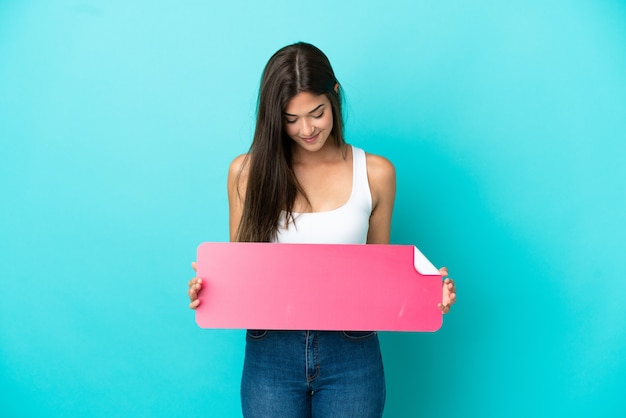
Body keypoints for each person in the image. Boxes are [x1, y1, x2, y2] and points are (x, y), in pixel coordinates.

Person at [187, 42, 456, 417]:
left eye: (317, 113)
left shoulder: (376, 173)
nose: (307, 129)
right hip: (271, 354)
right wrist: (210, 289)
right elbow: (242, 274)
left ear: (335, 97)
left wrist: (429, 289)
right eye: (290, 118)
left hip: (352, 354)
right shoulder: (246, 174)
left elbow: (381, 277)